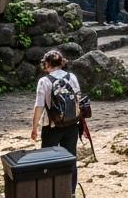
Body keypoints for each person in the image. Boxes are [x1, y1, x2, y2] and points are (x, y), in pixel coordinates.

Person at [30, 49, 82, 191]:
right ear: (61, 62)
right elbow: (78, 100)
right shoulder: (72, 77)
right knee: (71, 158)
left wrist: (34, 128)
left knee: (47, 160)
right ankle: (70, 191)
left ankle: (48, 190)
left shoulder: (44, 81)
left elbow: (39, 106)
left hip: (51, 126)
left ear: (47, 64)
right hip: (72, 124)